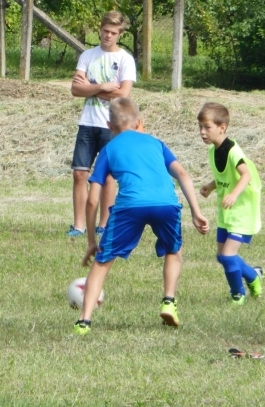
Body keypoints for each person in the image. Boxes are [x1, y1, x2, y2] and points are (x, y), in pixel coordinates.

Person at [73, 98, 209, 335]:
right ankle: (168, 300)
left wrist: (92, 241)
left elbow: (93, 199)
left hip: (130, 206)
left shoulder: (108, 150)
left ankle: (84, 321)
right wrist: (196, 212)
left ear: (109, 125)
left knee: (102, 263)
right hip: (166, 203)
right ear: (139, 122)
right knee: (173, 252)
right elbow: (183, 175)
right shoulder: (156, 143)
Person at [68, 11, 136, 237]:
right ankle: (79, 225)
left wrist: (92, 86)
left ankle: (104, 225)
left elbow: (123, 96)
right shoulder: (87, 56)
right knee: (80, 174)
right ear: (100, 29)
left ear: (120, 34)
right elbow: (76, 89)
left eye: (113, 33)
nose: (108, 36)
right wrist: (102, 87)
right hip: (87, 123)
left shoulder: (125, 59)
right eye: (105, 31)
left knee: (108, 176)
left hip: (112, 125)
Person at [197, 102, 263, 305]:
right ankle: (253, 276)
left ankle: (238, 293)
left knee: (227, 256)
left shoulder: (233, 150)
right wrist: (211, 186)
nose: (202, 132)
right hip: (227, 213)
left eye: (207, 127)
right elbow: (226, 175)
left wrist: (234, 194)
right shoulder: (212, 151)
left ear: (222, 127)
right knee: (222, 257)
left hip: (242, 212)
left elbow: (246, 174)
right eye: (200, 127)